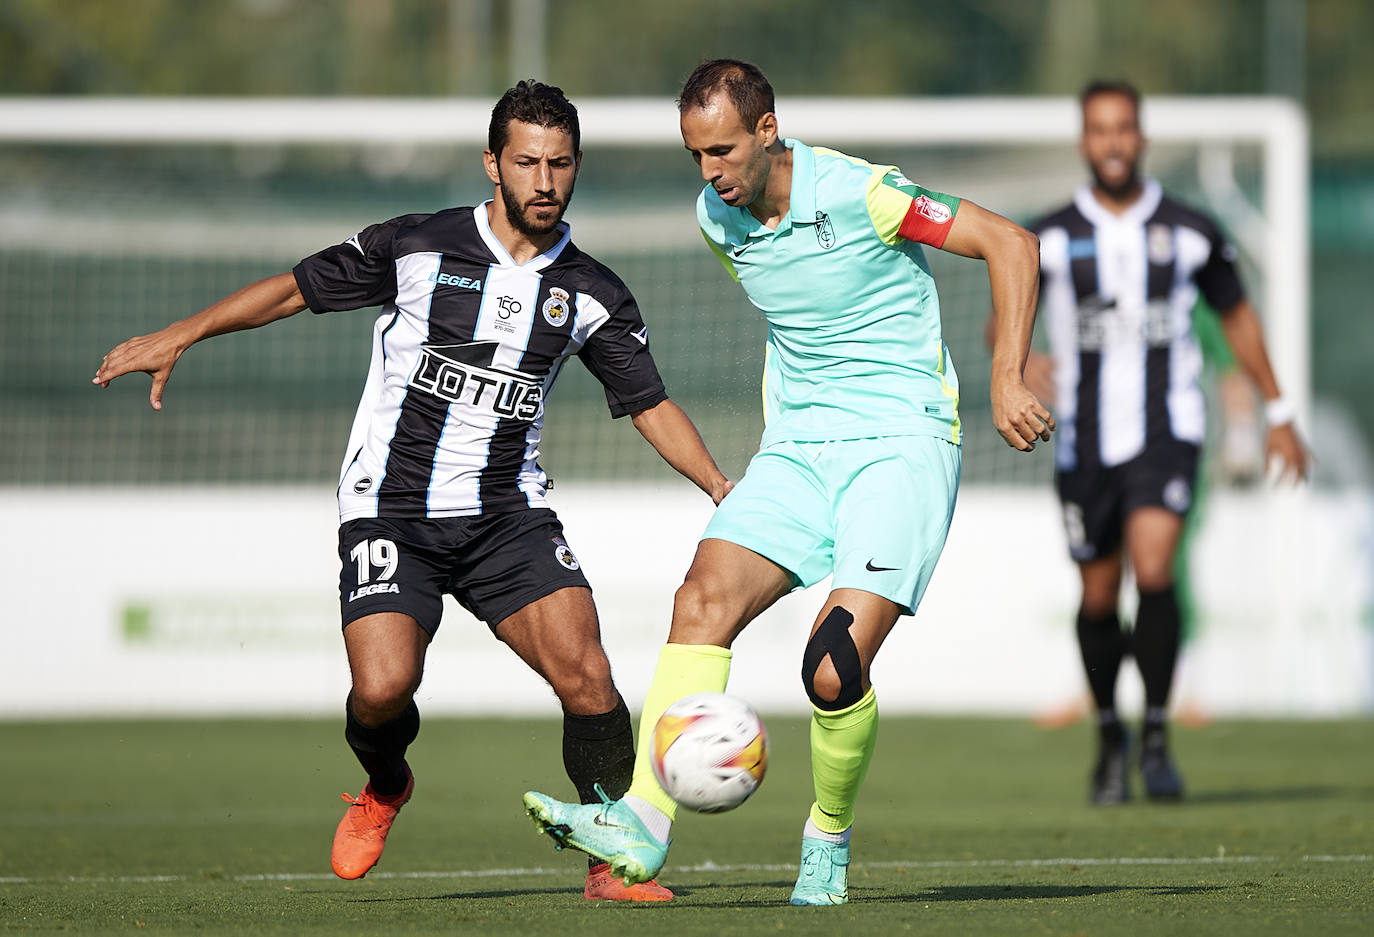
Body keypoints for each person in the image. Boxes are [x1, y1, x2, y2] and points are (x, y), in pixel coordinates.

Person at [92, 80, 732, 902]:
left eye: (561, 164)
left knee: (590, 679)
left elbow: (647, 402)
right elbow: (295, 288)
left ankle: (610, 863)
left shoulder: (595, 293)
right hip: (389, 505)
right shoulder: (418, 246)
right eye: (528, 162)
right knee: (382, 688)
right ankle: (387, 782)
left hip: (508, 515)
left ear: (577, 168)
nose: (544, 181)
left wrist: (719, 484)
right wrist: (182, 333)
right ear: (493, 163)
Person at [522, 59, 1050, 906]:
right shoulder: (713, 216)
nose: (710, 173)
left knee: (832, 668)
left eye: (724, 150)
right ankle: (643, 827)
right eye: (696, 155)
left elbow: (1011, 242)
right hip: (799, 448)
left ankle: (828, 835)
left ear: (768, 132)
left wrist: (1007, 375)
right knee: (699, 599)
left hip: (900, 443)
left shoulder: (865, 193)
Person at [992, 80, 1308, 805]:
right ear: (1084, 140)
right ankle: (1111, 736)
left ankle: (1159, 734)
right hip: (1083, 440)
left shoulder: (1192, 229)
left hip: (1169, 430)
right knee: (1098, 594)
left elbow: (1238, 317)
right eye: (1099, 130)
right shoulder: (1048, 236)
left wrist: (1280, 410)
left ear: (1141, 138)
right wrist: (1013, 364)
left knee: (1155, 563)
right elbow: (1001, 319)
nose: (1112, 142)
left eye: (1124, 129)